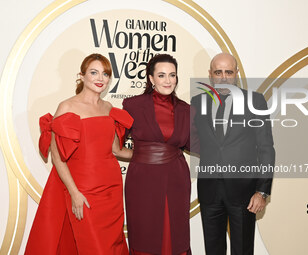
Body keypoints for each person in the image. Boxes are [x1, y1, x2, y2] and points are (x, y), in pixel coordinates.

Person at [25, 53, 132, 254]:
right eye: (94, 72)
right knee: (93, 247)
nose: (100, 78)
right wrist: (74, 193)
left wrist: (152, 153)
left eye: (105, 74)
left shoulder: (108, 108)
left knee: (112, 245)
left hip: (112, 188)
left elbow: (116, 150)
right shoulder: (67, 107)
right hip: (84, 188)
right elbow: (57, 157)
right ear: (81, 76)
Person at [191, 53, 275, 255]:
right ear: (210, 74)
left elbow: (266, 148)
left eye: (229, 72)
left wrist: (262, 191)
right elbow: (191, 140)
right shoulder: (197, 102)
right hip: (210, 191)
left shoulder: (255, 100)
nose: (223, 77)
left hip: (244, 193)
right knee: (213, 249)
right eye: (218, 72)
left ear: (237, 73)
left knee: (243, 250)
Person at [123, 54, 191, 255]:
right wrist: (140, 156)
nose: (168, 80)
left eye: (172, 75)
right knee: (145, 233)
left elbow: (197, 145)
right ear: (151, 79)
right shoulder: (132, 105)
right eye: (162, 75)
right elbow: (114, 144)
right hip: (143, 179)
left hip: (176, 178)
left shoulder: (186, 110)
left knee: (175, 233)